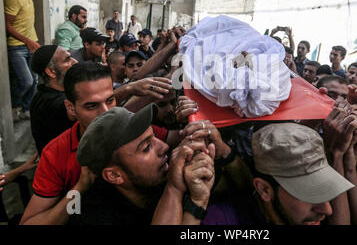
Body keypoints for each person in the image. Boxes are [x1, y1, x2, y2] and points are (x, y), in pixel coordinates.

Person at [69, 106, 216, 225]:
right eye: (146, 147)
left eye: (155, 138)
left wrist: (222, 152)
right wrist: (174, 190)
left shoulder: (165, 171)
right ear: (114, 175)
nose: (164, 146)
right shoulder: (95, 217)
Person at [20, 62, 116, 225]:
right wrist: (80, 188)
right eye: (91, 106)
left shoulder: (138, 130)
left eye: (111, 100)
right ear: (71, 108)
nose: (106, 113)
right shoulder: (56, 154)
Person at [203, 123, 354, 225]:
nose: (327, 210)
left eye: (324, 189)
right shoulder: (220, 220)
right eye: (309, 194)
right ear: (264, 189)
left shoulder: (304, 217)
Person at [5, 0, 41, 121]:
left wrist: (33, 41)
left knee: (34, 81)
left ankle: (26, 109)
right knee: (25, 81)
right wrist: (27, 41)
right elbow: (6, 26)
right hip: (17, 47)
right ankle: (13, 107)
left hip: (30, 44)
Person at [30, 45, 78, 154]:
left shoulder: (45, 94)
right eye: (67, 59)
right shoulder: (55, 103)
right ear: (51, 72)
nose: (75, 62)